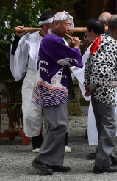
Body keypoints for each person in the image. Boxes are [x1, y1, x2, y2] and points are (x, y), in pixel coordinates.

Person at [31, 12, 82, 175]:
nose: (69, 27)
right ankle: (42, 159)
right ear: (55, 24)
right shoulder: (52, 39)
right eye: (66, 24)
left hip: (57, 86)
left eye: (70, 24)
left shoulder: (56, 39)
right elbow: (67, 58)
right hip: (51, 87)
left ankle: (54, 161)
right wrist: (75, 48)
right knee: (59, 125)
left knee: (58, 125)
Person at [84, 15, 117, 174]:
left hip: (96, 89)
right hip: (104, 91)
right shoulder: (109, 43)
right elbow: (102, 71)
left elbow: (89, 65)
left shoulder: (99, 40)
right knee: (109, 125)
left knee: (103, 125)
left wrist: (88, 84)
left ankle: (106, 157)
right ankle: (102, 163)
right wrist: (110, 85)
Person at [10, 12, 54, 153]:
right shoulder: (28, 38)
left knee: (54, 111)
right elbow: (18, 54)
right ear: (46, 25)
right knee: (30, 111)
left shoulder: (59, 39)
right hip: (32, 74)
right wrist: (17, 39)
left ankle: (56, 142)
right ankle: (37, 142)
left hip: (52, 77)